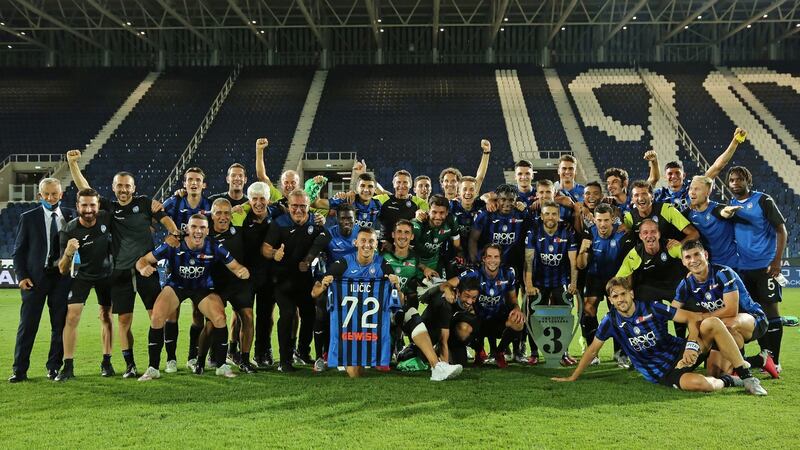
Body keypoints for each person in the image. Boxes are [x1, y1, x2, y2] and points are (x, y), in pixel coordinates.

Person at [66, 149, 180, 379]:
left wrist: (174, 232)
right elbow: (84, 189)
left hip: (147, 270)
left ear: (134, 188)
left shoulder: (146, 203)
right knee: (124, 321)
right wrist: (73, 164)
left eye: (127, 186)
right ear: (114, 187)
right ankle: (130, 365)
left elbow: (165, 218)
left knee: (156, 316)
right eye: (120, 186)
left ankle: (163, 360)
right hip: (120, 273)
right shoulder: (109, 207)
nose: (124, 190)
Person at [552, 277, 767, 395]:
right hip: (662, 372)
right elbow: (592, 350)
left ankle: (747, 375)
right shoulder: (611, 321)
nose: (620, 300)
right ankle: (735, 377)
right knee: (705, 384)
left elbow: (692, 318)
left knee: (712, 323)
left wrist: (691, 345)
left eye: (623, 294)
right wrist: (573, 376)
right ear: (611, 300)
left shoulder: (653, 308)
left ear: (631, 294)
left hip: (683, 352)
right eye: (615, 296)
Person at [313, 227, 463, 381]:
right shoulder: (343, 264)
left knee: (409, 313)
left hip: (377, 321)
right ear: (355, 243)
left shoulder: (382, 264)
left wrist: (397, 287)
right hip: (353, 327)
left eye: (371, 241)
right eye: (363, 241)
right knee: (355, 375)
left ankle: (436, 366)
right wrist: (323, 285)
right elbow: (314, 293)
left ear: (376, 244)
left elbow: (400, 301)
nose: (367, 245)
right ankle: (339, 357)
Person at [135, 214, 250, 381]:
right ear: (187, 229)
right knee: (157, 317)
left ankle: (221, 366)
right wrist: (142, 268)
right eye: (194, 227)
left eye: (202, 228)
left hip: (202, 288)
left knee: (219, 317)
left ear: (207, 230)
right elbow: (143, 260)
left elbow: (235, 265)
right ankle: (153, 368)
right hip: (176, 286)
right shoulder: (173, 244)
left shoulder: (214, 246)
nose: (198, 231)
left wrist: (241, 270)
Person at [672, 240, 778, 379]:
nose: (693, 260)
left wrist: (700, 317)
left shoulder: (723, 273)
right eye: (688, 257)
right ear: (683, 262)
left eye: (697, 254)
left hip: (752, 318)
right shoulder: (686, 284)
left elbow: (731, 310)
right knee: (714, 373)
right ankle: (760, 360)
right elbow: (672, 310)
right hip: (721, 326)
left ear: (705, 255)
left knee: (725, 325)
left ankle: (741, 368)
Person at [9, 178, 75, 383]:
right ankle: (19, 370)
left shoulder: (70, 215)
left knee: (59, 326)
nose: (50, 197)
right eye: (46, 194)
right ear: (39, 195)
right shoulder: (28, 218)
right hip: (35, 280)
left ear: (61, 194)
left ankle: (53, 368)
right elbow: (18, 252)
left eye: (54, 194)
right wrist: (22, 277)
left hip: (61, 278)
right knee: (28, 325)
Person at [727, 165, 788, 372]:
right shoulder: (731, 204)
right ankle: (765, 357)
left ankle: (776, 360)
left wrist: (777, 261)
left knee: (771, 310)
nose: (735, 183)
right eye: (732, 180)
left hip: (765, 267)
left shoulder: (763, 200)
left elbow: (782, 230)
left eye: (739, 180)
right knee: (756, 313)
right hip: (743, 269)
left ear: (748, 181)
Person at [262, 189, 328, 372]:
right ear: (288, 206)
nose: (298, 210)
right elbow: (265, 248)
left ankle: (303, 352)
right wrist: (275, 253)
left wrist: (311, 261)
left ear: (308, 206)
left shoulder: (316, 222)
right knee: (288, 314)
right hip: (282, 280)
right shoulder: (279, 223)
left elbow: (325, 239)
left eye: (302, 206)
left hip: (305, 279)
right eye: (294, 206)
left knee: (310, 315)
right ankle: (284, 360)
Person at [54, 188, 114, 381]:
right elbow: (63, 269)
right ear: (77, 206)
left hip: (105, 274)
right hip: (82, 277)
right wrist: (69, 252)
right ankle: (68, 365)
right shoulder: (69, 230)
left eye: (92, 205)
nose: (89, 209)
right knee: (71, 317)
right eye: (84, 205)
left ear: (98, 206)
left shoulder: (106, 218)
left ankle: (107, 361)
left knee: (106, 316)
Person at [162, 167, 213, 372]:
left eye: (197, 180)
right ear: (184, 183)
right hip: (176, 264)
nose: (193, 183)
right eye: (190, 180)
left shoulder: (208, 205)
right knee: (171, 313)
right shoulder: (175, 202)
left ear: (203, 184)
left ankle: (192, 357)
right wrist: (168, 235)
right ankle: (171, 359)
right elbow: (157, 215)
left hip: (201, 266)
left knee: (197, 313)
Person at [199, 198, 256, 374]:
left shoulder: (239, 231)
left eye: (226, 213)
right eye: (219, 213)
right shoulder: (204, 235)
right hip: (215, 286)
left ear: (231, 215)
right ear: (212, 215)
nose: (223, 217)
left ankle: (245, 360)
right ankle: (201, 361)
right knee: (210, 324)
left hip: (239, 283)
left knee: (247, 316)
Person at [442, 244, 524, 367]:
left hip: (498, 319)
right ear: (484, 259)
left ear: (500, 259)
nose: (493, 260)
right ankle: (478, 350)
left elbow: (513, 300)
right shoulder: (473, 273)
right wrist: (448, 290)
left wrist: (517, 309)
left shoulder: (508, 274)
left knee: (519, 322)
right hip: (477, 320)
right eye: (489, 257)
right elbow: (447, 284)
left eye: (496, 257)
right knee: (462, 330)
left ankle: (499, 352)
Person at [232, 181, 281, 368]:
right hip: (246, 275)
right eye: (254, 199)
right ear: (249, 200)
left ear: (268, 200)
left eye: (262, 199)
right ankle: (234, 350)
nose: (258, 203)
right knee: (242, 316)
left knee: (266, 316)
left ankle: (263, 352)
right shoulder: (242, 215)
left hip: (268, 276)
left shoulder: (277, 213)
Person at [524, 200, 579, 366]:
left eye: (554, 214)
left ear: (559, 215)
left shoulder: (567, 232)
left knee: (565, 316)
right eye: (547, 213)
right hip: (538, 281)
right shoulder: (533, 231)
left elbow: (573, 261)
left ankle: (563, 353)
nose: (550, 217)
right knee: (532, 316)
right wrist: (528, 284)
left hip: (560, 281)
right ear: (541, 216)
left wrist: (573, 283)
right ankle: (533, 352)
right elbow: (528, 259)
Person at [575, 203, 627, 367]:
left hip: (616, 278)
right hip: (595, 276)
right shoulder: (589, 233)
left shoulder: (622, 233)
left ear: (612, 219)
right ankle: (592, 352)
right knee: (588, 309)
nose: (602, 224)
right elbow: (581, 265)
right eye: (599, 220)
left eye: (606, 220)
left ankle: (621, 353)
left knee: (620, 311)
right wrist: (582, 251)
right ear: (594, 220)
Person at [654, 128, 746, 213]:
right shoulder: (659, 195)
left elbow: (717, 166)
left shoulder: (693, 186)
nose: (674, 176)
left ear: (684, 175)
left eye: (677, 173)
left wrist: (735, 142)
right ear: (665, 177)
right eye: (670, 174)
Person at [686, 175, 744, 268]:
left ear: (707, 192)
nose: (692, 192)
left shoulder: (716, 209)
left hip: (732, 265)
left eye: (697, 189)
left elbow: (723, 212)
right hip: (710, 266)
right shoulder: (689, 214)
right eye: (691, 188)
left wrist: (728, 211)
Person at [412, 194, 461, 278]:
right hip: (414, 263)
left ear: (447, 213)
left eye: (442, 213)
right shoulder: (417, 225)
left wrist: (459, 256)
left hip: (435, 262)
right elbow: (405, 253)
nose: (438, 217)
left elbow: (456, 245)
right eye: (434, 212)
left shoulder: (451, 221)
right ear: (428, 210)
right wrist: (424, 268)